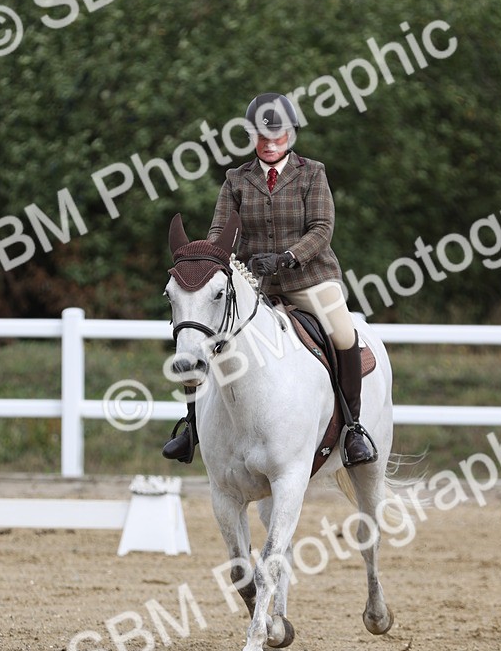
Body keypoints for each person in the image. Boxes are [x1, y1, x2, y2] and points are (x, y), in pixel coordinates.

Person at [162, 92, 377, 467]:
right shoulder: (236, 180)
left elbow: (322, 228)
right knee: (202, 333)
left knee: (343, 333)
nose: (271, 143)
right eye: (263, 136)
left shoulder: (313, 173)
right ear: (252, 137)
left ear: (291, 135)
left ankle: (353, 429)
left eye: (279, 135)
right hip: (254, 283)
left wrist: (289, 257)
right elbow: (219, 232)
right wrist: (210, 260)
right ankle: (192, 426)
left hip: (310, 277)